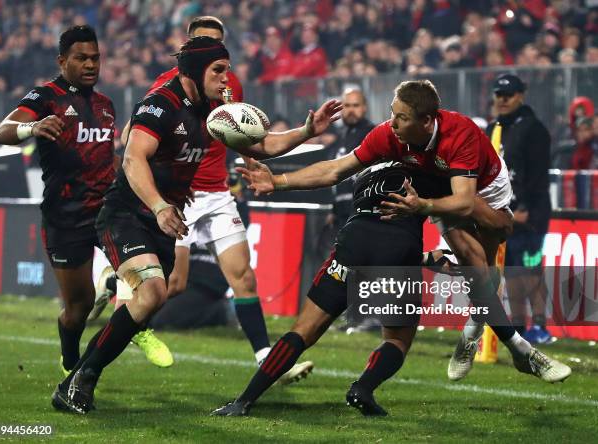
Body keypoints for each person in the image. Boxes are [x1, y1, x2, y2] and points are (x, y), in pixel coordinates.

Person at [51, 36, 342, 415]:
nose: (226, 79)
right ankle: (82, 377)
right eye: (219, 70)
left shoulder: (215, 110)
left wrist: (308, 131)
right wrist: (157, 205)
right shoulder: (160, 105)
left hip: (165, 220)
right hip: (126, 214)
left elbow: (262, 146)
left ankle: (74, 380)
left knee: (154, 295)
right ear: (194, 70)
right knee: (154, 291)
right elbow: (133, 160)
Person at [230, 80, 570, 386]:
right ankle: (520, 349)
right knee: (473, 263)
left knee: (495, 248)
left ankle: (472, 330)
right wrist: (277, 182)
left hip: (483, 189)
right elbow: (337, 169)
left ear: (427, 122)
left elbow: (466, 202)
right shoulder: (388, 135)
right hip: (440, 193)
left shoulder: (460, 135)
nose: (392, 124)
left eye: (401, 118)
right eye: (392, 115)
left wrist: (421, 207)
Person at [213, 162, 458, 417]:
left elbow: (332, 174)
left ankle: (243, 401)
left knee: (302, 330)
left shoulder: (368, 162)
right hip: (398, 248)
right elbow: (460, 207)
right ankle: (362, 388)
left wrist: (277, 180)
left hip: (353, 241)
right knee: (397, 339)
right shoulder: (431, 166)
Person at [0, 25, 118, 377]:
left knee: (147, 279)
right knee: (78, 308)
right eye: (81, 58)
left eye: (95, 58)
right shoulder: (46, 96)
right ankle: (70, 361)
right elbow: (2, 131)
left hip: (107, 211)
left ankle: (122, 298)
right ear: (63, 61)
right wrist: (32, 128)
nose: (90, 64)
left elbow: (108, 157)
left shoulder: (106, 106)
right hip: (66, 215)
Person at [487, 73, 553, 343]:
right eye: (498, 95)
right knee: (510, 270)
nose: (502, 100)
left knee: (531, 270)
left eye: (508, 95)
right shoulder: (494, 128)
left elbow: (538, 173)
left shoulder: (533, 128)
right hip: (503, 211)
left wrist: (527, 209)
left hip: (529, 213)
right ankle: (518, 325)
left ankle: (540, 325)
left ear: (520, 96)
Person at [326, 86, 375, 228]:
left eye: (356, 105)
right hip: (342, 211)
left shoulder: (373, 133)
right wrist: (334, 209)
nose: (351, 110)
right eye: (347, 105)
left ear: (364, 107)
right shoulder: (340, 136)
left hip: (365, 210)